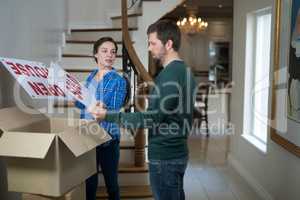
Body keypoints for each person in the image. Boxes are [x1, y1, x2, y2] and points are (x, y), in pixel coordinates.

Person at [88, 20, 196, 200]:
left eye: (153, 43)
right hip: (176, 152)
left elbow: (152, 118)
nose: (149, 48)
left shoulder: (169, 75)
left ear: (168, 44)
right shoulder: (185, 71)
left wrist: (108, 115)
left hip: (165, 157)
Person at [74, 37, 127, 200]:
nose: (109, 55)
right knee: (89, 183)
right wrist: (76, 97)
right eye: (104, 51)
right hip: (88, 136)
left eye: (113, 52)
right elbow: (81, 105)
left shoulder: (119, 80)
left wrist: (100, 107)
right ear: (95, 54)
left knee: (111, 184)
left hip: (108, 139)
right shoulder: (91, 76)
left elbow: (114, 108)